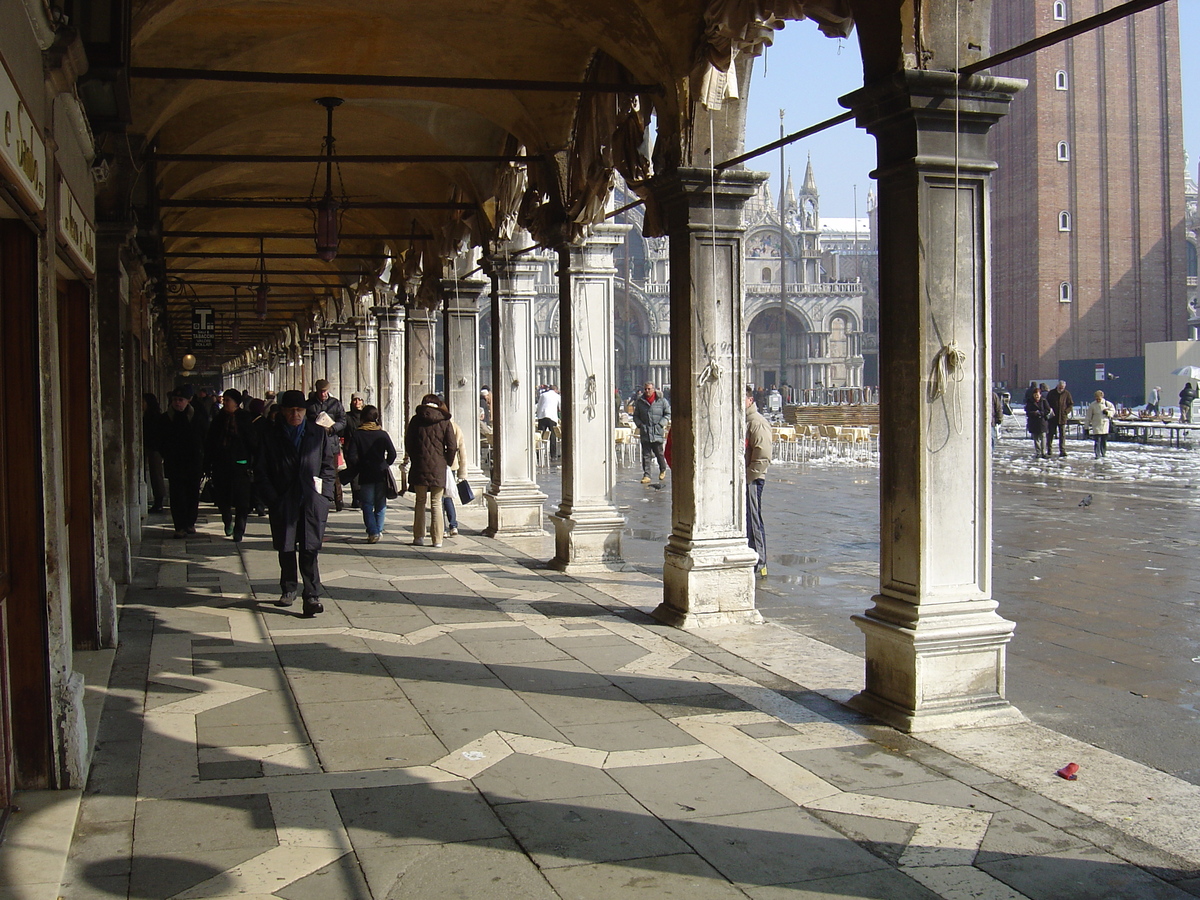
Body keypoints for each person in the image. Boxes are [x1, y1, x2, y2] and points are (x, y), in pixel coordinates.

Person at [254, 390, 336, 616]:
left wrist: (325, 496)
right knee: (286, 546)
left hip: (311, 500)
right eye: (290, 410)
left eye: (299, 410)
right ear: (281, 411)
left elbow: (328, 466)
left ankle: (311, 595)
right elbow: (261, 471)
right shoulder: (271, 435)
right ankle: (288, 587)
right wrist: (272, 499)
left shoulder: (316, 434)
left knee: (310, 549)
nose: (295, 415)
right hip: (283, 499)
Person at [404, 393, 457, 548]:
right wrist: (446, 461)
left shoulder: (415, 420)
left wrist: (416, 458)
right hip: (439, 467)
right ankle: (437, 539)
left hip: (419, 465)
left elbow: (409, 443)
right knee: (436, 503)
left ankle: (418, 537)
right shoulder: (445, 421)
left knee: (420, 501)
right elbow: (452, 446)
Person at [205, 389, 257, 541]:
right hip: (221, 463)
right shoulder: (218, 419)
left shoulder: (245, 418)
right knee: (223, 496)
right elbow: (210, 442)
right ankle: (227, 520)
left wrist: (253, 461)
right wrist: (207, 464)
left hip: (241, 463)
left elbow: (253, 442)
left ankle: (239, 529)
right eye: (224, 400)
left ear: (236, 402)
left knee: (242, 499)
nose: (224, 402)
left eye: (228, 400)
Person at [343, 404, 397, 543]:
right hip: (380, 473)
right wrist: (384, 464)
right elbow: (392, 454)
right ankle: (378, 530)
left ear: (362, 418)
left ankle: (373, 532)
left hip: (366, 473)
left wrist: (360, 465)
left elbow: (352, 455)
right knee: (380, 503)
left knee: (367, 504)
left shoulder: (358, 434)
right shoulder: (382, 434)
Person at [160, 389, 208, 537]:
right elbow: (160, 439)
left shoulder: (198, 417)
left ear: (188, 400)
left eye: (181, 400)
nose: (178, 403)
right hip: (174, 463)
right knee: (177, 495)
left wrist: (205, 460)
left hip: (194, 462)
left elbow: (205, 438)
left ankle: (190, 523)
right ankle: (179, 526)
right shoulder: (165, 418)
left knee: (193, 494)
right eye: (175, 400)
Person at [307, 379, 347, 510]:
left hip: (331, 443)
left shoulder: (335, 403)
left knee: (332, 472)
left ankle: (337, 499)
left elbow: (343, 420)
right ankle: (316, 496)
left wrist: (332, 428)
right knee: (314, 471)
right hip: (314, 444)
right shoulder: (310, 405)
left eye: (325, 391)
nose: (323, 394)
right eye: (321, 391)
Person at [745, 386, 772, 577]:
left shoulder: (757, 422)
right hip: (743, 478)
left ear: (750, 400)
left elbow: (762, 454)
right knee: (745, 519)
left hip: (752, 479)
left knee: (754, 520)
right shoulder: (743, 421)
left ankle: (760, 561)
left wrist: (750, 476)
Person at [440, 397, 471, 537]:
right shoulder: (455, 426)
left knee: (439, 497)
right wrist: (462, 473)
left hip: (441, 465)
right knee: (448, 496)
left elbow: (461, 450)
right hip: (451, 466)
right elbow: (462, 452)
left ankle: (444, 527)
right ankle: (453, 525)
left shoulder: (439, 426)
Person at [633, 381, 671, 484]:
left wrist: (661, 424)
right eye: (645, 389)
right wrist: (640, 424)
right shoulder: (640, 402)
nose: (647, 391)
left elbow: (667, 414)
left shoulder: (662, 401)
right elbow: (635, 415)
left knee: (659, 453)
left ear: (653, 389)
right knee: (646, 455)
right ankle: (647, 475)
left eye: (649, 389)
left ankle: (662, 469)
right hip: (645, 431)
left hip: (657, 431)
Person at [142, 393, 166, 513]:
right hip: (151, 448)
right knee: (154, 475)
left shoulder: (153, 417)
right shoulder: (149, 415)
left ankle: (159, 501)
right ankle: (158, 500)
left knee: (156, 475)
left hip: (154, 449)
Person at [344, 393, 366, 509]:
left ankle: (362, 497)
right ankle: (356, 498)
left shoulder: (366, 416)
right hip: (350, 449)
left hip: (364, 449)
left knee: (363, 474)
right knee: (354, 474)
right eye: (355, 400)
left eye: (359, 400)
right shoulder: (347, 416)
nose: (357, 402)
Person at [1085, 389, 1117, 458]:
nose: (1098, 400)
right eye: (1096, 398)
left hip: (1105, 425)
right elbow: (1088, 416)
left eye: (1099, 399)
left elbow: (1113, 411)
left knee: (1104, 441)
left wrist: (1108, 413)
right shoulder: (1092, 405)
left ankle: (1103, 453)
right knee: (1097, 441)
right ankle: (1097, 454)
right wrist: (1086, 427)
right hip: (1096, 425)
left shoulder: (1107, 404)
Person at [1046, 380, 1074, 457]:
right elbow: (1046, 403)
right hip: (1053, 417)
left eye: (1062, 388)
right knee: (1051, 434)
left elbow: (1070, 404)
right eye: (1060, 387)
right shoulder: (1051, 393)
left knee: (1062, 434)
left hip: (1062, 417)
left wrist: (1066, 411)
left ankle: (1062, 450)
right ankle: (1049, 449)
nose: (1061, 389)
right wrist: (1049, 411)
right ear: (1057, 386)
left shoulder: (1066, 393)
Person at [1025, 387, 1053, 460]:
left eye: (1037, 395)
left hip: (1042, 422)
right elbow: (1027, 411)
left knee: (1043, 437)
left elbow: (1048, 410)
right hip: (1033, 422)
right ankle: (1038, 452)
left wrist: (1041, 413)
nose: (1036, 396)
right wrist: (1034, 413)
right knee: (1036, 438)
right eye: (1035, 395)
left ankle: (1043, 452)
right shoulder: (1030, 401)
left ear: (1040, 395)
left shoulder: (1044, 401)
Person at [535, 384, 562, 459]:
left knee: (541, 435)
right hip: (552, 417)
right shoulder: (557, 396)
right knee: (552, 435)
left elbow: (538, 406)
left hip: (542, 416)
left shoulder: (543, 395)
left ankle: (538, 454)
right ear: (556, 390)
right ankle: (553, 455)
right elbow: (560, 407)